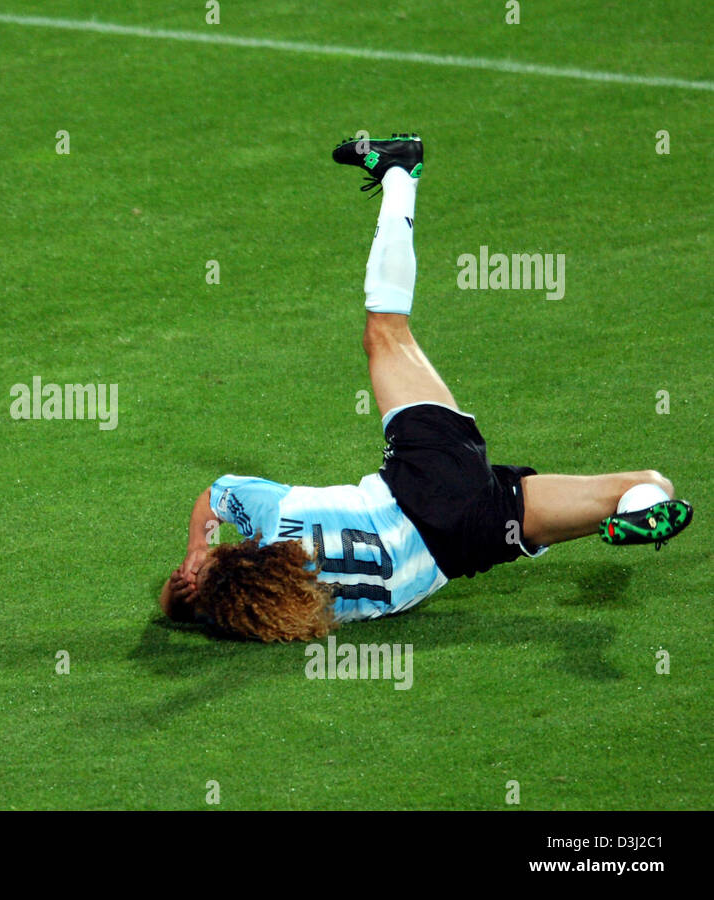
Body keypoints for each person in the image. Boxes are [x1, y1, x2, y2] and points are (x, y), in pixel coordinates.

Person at [160, 134, 692, 642]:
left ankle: (639, 510)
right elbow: (215, 497)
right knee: (386, 332)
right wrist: (195, 549)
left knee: (643, 482)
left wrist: (185, 594)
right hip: (423, 483)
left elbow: (188, 606)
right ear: (236, 555)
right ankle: (399, 171)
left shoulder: (296, 610)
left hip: (466, 538)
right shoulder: (276, 518)